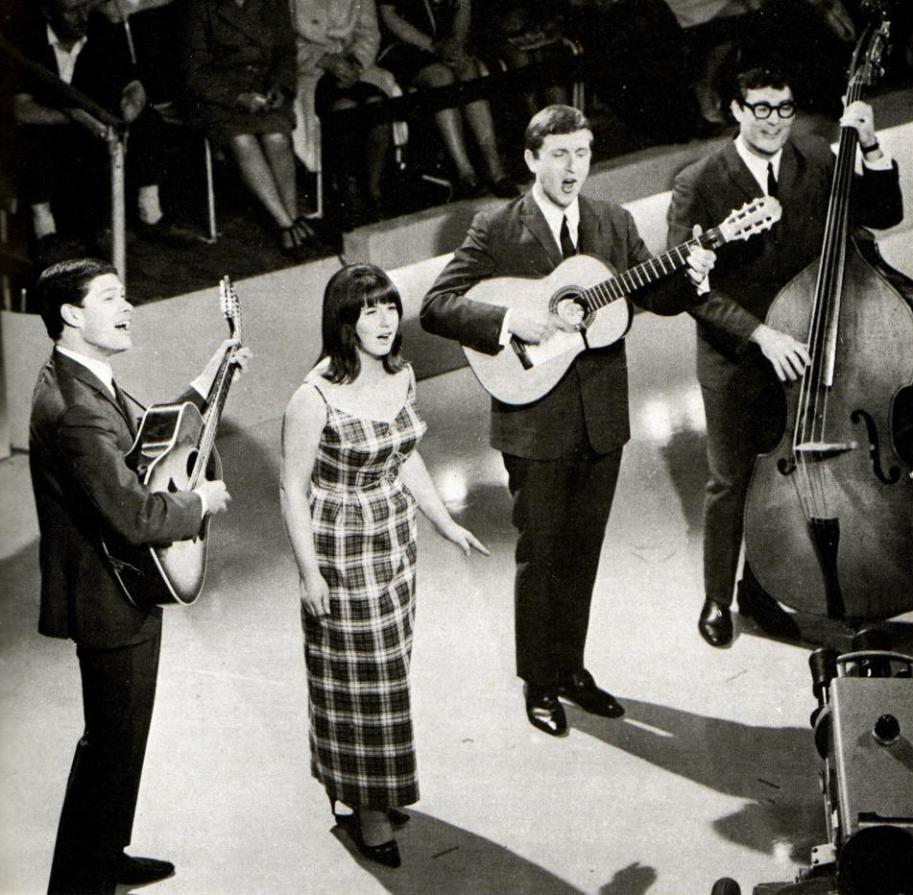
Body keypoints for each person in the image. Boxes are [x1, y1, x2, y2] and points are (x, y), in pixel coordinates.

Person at [420, 105, 715, 737]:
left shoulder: (612, 221)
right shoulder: (496, 227)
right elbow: (437, 305)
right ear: (531, 160)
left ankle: (572, 669)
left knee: (582, 554)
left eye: (581, 154)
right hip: (533, 416)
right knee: (541, 553)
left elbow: (652, 296)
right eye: (558, 155)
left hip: (602, 417)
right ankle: (540, 681)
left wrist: (688, 276)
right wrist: (507, 322)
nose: (572, 167)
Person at [29, 257, 249, 894]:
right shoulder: (74, 407)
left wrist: (208, 379)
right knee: (109, 743)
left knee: (123, 739)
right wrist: (200, 502)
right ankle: (78, 883)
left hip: (125, 584)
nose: (127, 309)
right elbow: (136, 511)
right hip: (107, 594)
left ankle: (106, 854)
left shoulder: (89, 378)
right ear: (72, 315)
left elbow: (150, 439)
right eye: (111, 299)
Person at [666, 66, 903, 648]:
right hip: (739, 358)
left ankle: (762, 587)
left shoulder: (818, 161)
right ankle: (718, 598)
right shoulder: (697, 182)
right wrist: (760, 336)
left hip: (809, 350)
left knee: (789, 478)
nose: (774, 120)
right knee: (731, 482)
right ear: (736, 110)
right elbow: (688, 289)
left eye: (785, 108)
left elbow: (884, 213)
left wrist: (869, 146)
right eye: (761, 108)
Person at [280, 263, 488, 868]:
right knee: (360, 681)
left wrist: (445, 522)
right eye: (368, 311)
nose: (383, 321)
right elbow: (291, 490)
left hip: (394, 538)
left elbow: (406, 457)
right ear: (342, 322)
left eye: (389, 308)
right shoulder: (312, 397)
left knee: (388, 674)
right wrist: (310, 573)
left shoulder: (402, 373)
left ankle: (372, 784)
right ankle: (367, 809)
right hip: (339, 544)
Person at [9, 0, 188, 265]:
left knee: (148, 120)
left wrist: (130, 106)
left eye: (86, 6)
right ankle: (46, 234)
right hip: (52, 126)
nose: (82, 17)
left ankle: (150, 214)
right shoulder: (26, 39)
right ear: (48, 11)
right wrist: (73, 118)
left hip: (95, 125)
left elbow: (133, 83)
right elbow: (21, 109)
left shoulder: (99, 28)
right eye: (72, 11)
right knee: (34, 140)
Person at [182, 0, 319, 259]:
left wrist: (279, 87)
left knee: (277, 137)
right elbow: (195, 73)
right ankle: (286, 224)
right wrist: (238, 97)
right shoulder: (198, 7)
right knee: (242, 140)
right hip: (218, 97)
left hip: (263, 86)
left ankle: (292, 215)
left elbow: (285, 52)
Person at [378, 0, 518, 198]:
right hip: (405, 46)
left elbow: (463, 6)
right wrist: (433, 46)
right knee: (441, 77)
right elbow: (389, 16)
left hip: (445, 44)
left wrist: (457, 42)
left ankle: (495, 169)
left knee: (468, 68)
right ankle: (465, 172)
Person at [292, 0, 394, 228]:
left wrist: (355, 63)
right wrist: (324, 60)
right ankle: (347, 194)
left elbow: (369, 32)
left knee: (377, 105)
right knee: (344, 109)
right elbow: (282, 41)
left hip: (356, 68)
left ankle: (374, 190)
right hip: (312, 71)